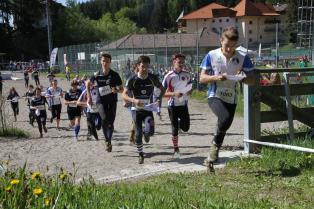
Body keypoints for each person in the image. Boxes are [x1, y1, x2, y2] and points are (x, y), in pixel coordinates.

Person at [199, 27, 255, 167]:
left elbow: (252, 79)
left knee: (226, 123)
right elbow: (202, 78)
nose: (230, 49)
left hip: (232, 96)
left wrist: (242, 78)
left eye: (233, 46)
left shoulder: (243, 57)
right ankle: (214, 148)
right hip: (215, 95)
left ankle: (215, 150)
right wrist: (216, 77)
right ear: (221, 41)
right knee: (223, 119)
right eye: (227, 46)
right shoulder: (211, 55)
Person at [122, 55, 165, 164]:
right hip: (136, 109)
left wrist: (159, 99)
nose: (145, 69)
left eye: (147, 66)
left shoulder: (152, 78)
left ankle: (147, 134)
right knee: (138, 133)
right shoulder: (132, 79)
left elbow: (162, 89)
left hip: (148, 108)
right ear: (137, 66)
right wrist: (134, 100)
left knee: (150, 131)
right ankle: (141, 154)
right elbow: (123, 95)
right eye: (142, 66)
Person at [87, 53, 123, 152]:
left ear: (110, 62)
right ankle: (107, 140)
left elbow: (122, 89)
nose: (105, 63)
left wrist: (116, 90)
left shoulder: (115, 75)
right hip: (100, 102)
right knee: (104, 119)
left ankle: (108, 140)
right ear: (100, 62)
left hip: (112, 102)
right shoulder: (96, 74)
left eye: (107, 61)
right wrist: (89, 96)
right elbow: (87, 83)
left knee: (110, 123)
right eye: (103, 61)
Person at [162, 53, 192, 158]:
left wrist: (188, 91)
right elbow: (161, 93)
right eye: (179, 62)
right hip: (173, 106)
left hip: (183, 104)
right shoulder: (168, 76)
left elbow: (190, 88)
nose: (181, 64)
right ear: (174, 62)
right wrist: (174, 94)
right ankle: (176, 149)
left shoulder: (187, 74)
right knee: (174, 129)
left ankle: (180, 125)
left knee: (186, 128)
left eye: (183, 62)